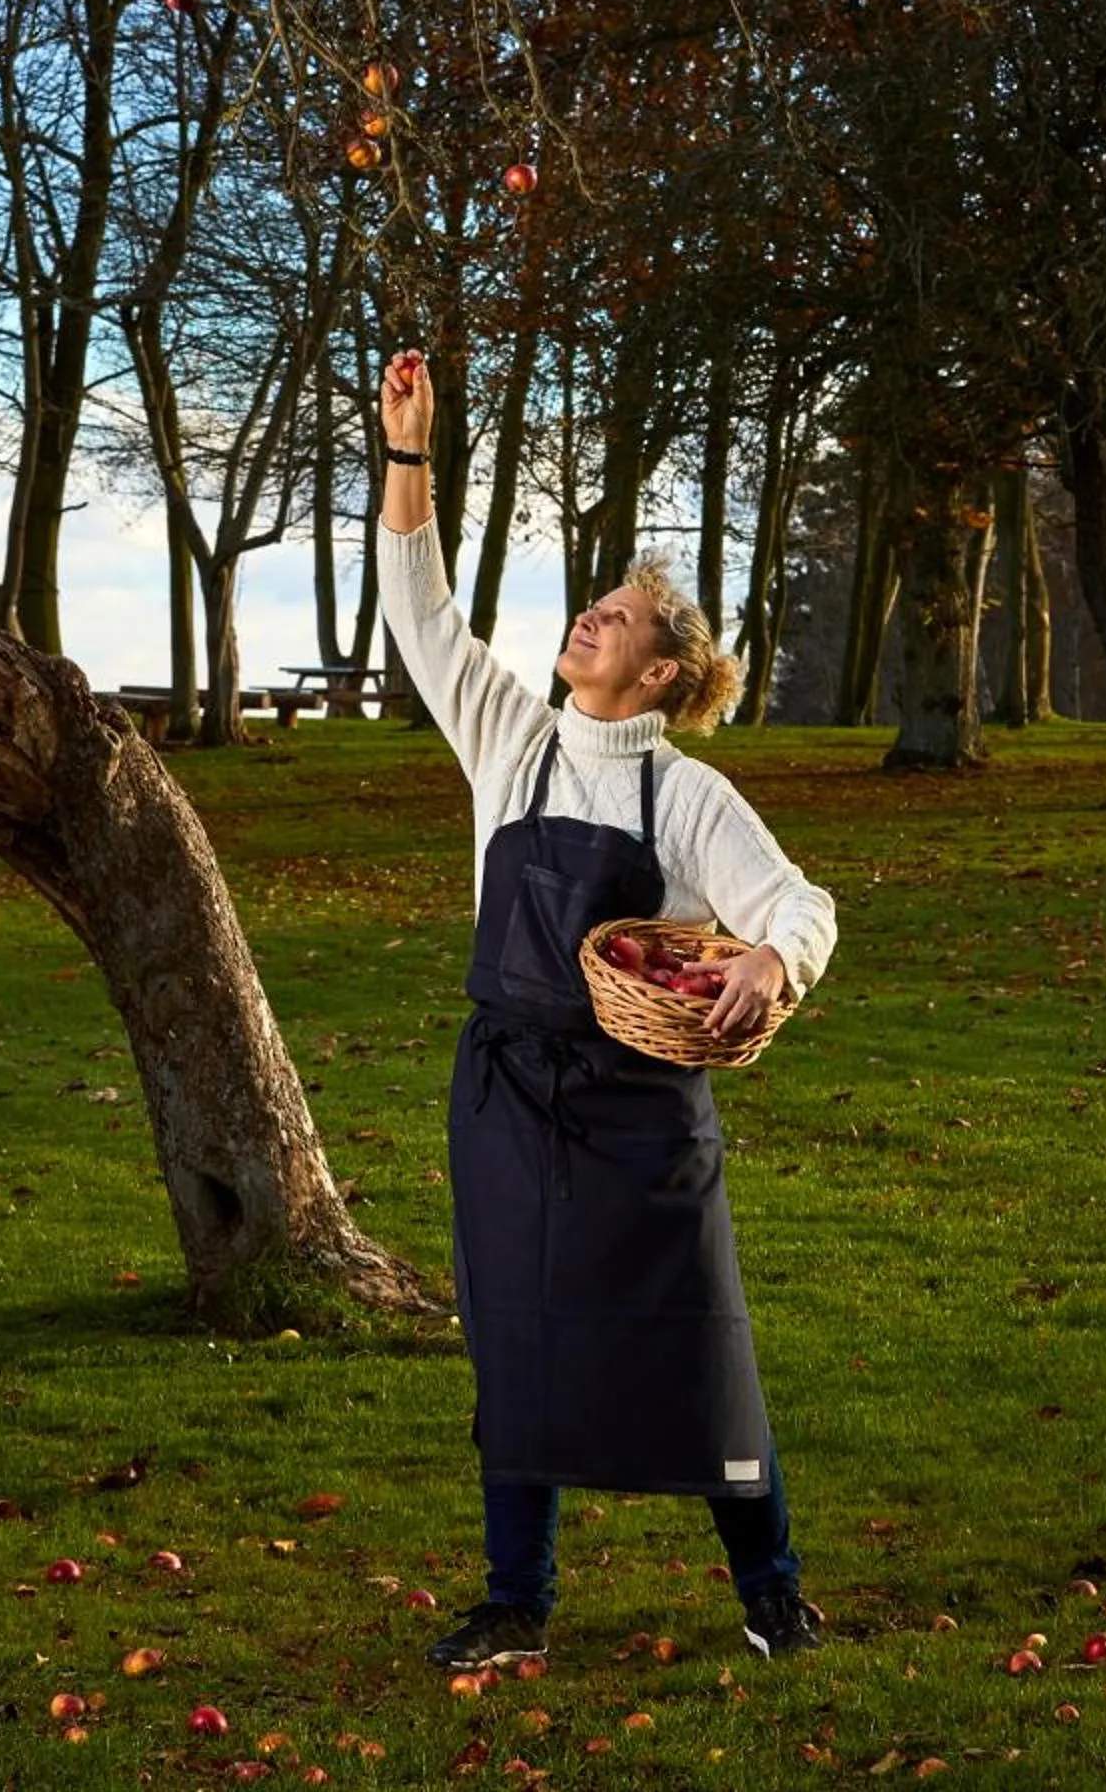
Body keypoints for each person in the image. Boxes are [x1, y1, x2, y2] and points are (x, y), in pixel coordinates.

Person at [373, 347, 840, 1672]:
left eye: (621, 618)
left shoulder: (687, 798)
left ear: (660, 674)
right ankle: (515, 1598)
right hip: (508, 1098)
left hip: (642, 1116)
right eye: (594, 605)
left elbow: (802, 903)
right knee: (515, 1350)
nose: (590, 619)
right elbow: (418, 610)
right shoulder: (506, 736)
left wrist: (768, 966)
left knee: (699, 1348)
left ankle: (773, 1590)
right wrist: (409, 451)